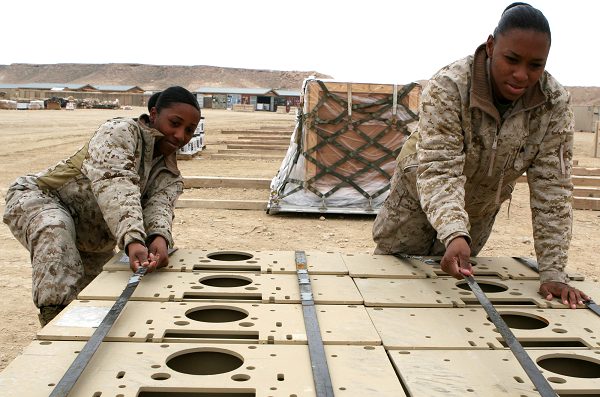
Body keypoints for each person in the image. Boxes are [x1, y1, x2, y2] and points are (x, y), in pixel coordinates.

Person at [372, 2, 590, 308]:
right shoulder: (449, 86)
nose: (521, 75)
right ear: (490, 46)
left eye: (535, 65)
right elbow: (439, 169)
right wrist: (452, 231)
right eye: (511, 59)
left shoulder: (553, 103)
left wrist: (553, 271)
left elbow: (552, 190)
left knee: (453, 308)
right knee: (393, 296)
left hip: (477, 214)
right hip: (415, 207)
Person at [3, 86, 201, 325]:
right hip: (41, 200)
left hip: (92, 237)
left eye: (189, 130)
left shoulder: (169, 172)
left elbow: (160, 207)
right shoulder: (119, 132)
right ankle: (53, 326)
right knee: (55, 234)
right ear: (154, 113)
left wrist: (159, 238)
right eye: (175, 123)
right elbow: (116, 186)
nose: (180, 135)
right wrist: (134, 238)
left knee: (94, 302)